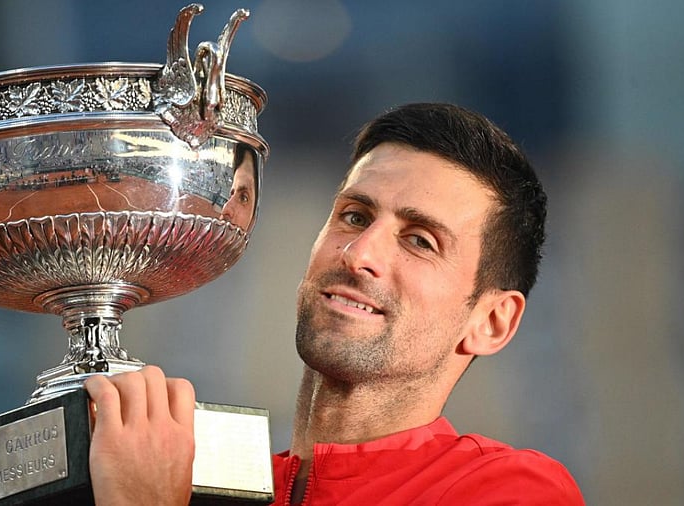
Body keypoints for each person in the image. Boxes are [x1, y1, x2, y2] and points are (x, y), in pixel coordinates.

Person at [85, 103, 585, 505]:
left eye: (420, 241)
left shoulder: (509, 490)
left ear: (491, 322)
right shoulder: (195, 483)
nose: (359, 253)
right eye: (353, 215)